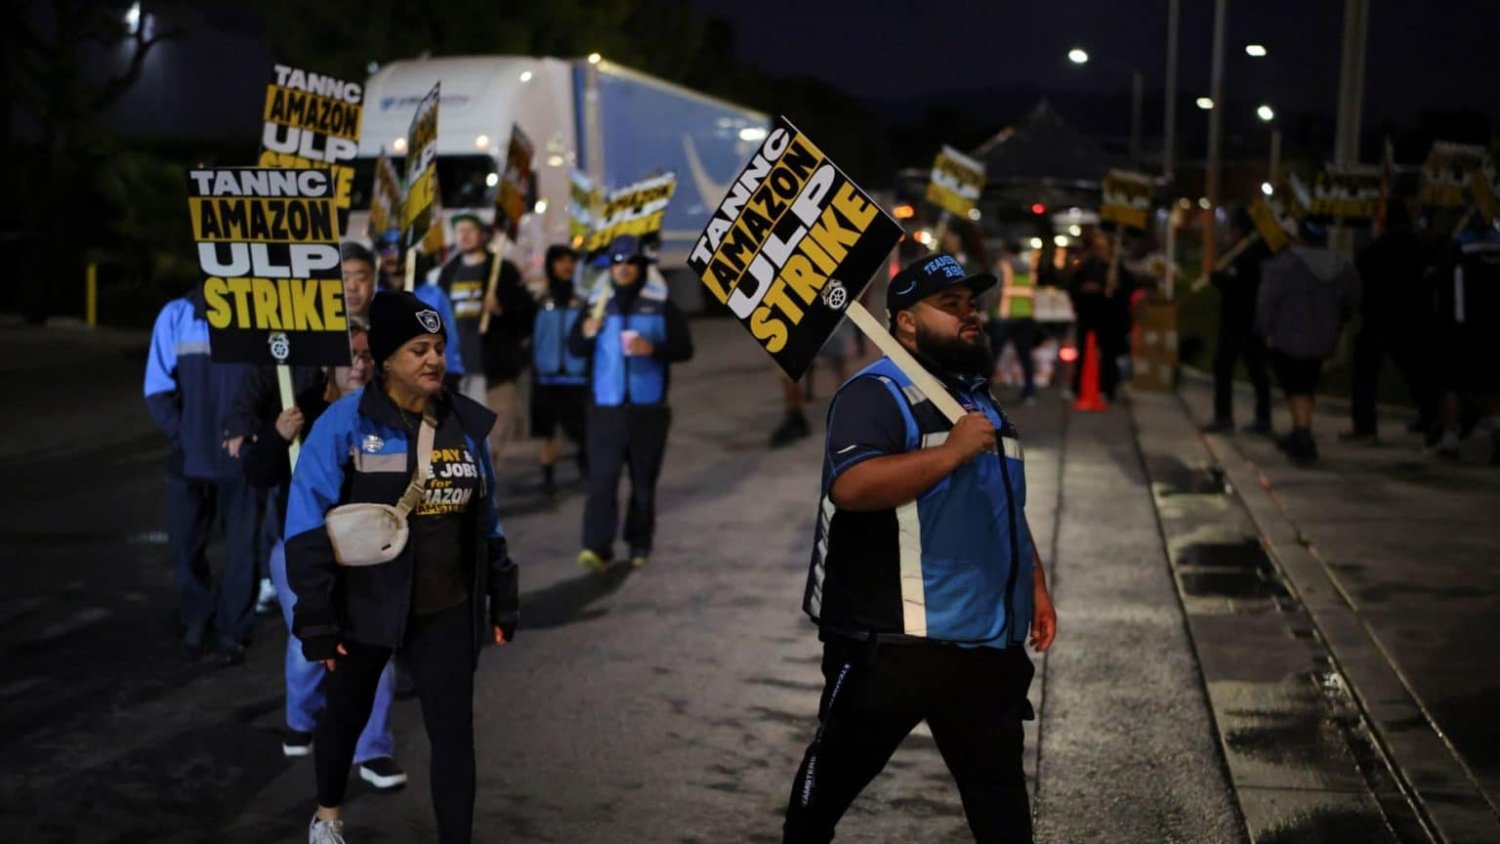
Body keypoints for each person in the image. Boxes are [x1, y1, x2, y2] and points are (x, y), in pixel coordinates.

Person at [783, 253, 1056, 844]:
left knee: (1001, 806)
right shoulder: (875, 393)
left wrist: (1033, 582)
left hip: (984, 648)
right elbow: (853, 487)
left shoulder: (979, 402)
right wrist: (952, 451)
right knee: (823, 796)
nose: (970, 315)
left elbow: (1003, 500)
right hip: (892, 646)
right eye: (950, 305)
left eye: (972, 305)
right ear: (905, 321)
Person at [285, 291, 519, 843]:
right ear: (386, 358)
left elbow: (488, 519)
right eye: (418, 349)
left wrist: (502, 595)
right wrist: (317, 617)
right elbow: (304, 524)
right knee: (344, 717)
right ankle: (328, 817)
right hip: (362, 605)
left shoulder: (464, 424)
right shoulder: (343, 424)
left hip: (446, 606)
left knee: (454, 736)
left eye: (438, 348)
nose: (433, 359)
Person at [243, 322, 406, 788]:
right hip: (305, 546)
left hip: (367, 549)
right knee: (307, 641)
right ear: (327, 364)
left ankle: (373, 749)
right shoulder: (301, 407)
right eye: (350, 355)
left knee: (376, 645)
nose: (359, 363)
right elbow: (257, 475)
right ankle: (303, 718)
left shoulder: (388, 412)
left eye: (367, 355)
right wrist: (276, 436)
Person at [144, 286, 257, 665]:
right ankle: (197, 618)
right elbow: (157, 389)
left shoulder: (263, 310)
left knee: (243, 549)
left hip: (243, 459)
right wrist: (185, 436)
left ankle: (232, 630)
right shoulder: (177, 314)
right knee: (185, 544)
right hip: (190, 460)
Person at [569, 239, 693, 570]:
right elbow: (576, 348)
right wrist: (585, 332)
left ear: (641, 266)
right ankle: (596, 547)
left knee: (643, 483)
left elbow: (684, 348)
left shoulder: (659, 301)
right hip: (605, 409)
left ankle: (639, 543)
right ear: (610, 266)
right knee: (602, 481)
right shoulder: (596, 303)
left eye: (630, 262)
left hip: (647, 410)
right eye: (617, 262)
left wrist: (652, 349)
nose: (623, 268)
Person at [1257, 225, 1362, 464]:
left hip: (1288, 337)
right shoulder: (1341, 267)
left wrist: (1265, 330)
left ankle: (1303, 435)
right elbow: (1354, 297)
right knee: (1306, 384)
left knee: (1297, 387)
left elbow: (1267, 301)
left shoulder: (1284, 266)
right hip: (1323, 337)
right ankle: (1299, 431)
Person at [1341, 197, 1428, 443]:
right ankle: (1431, 417)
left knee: (1366, 373)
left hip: (1379, 317)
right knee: (1415, 370)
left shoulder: (1376, 248)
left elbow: (1360, 282)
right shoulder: (1417, 247)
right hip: (1410, 317)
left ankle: (1365, 426)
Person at [1204, 210, 1274, 435]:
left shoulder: (1250, 256)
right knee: (1241, 368)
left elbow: (1240, 288)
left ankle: (1247, 418)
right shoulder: (1241, 254)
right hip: (1242, 321)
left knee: (1248, 368)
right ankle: (1233, 416)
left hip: (1243, 322)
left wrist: (1220, 280)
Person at [530, 245, 589, 495]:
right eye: (560, 261)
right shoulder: (540, 299)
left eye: (570, 261)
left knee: (581, 429)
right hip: (546, 375)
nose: (566, 265)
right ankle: (548, 476)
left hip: (576, 375)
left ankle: (587, 471)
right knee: (548, 432)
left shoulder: (583, 300)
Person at [479, 239, 537, 464]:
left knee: (493, 434)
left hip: (497, 367)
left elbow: (525, 317)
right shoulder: (452, 271)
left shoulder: (503, 271)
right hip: (461, 367)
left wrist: (501, 309)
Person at [1069, 228, 1123, 400]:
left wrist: (1112, 289)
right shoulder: (1086, 265)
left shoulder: (1115, 267)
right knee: (1084, 351)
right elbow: (1074, 285)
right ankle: (1078, 388)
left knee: (1108, 354)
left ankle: (1108, 389)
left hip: (1108, 316)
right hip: (1087, 313)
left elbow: (1123, 290)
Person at [989, 241, 1041, 403]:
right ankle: (1030, 392)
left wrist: (983, 308)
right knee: (1026, 356)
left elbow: (993, 291)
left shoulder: (1002, 267)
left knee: (993, 356)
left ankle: (983, 391)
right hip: (1025, 317)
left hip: (1003, 318)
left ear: (1006, 250)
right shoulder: (1029, 269)